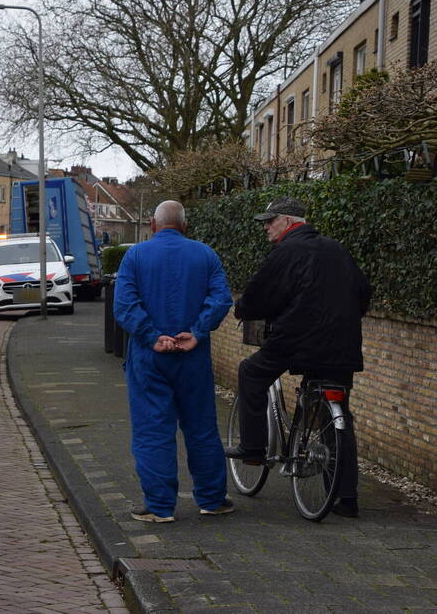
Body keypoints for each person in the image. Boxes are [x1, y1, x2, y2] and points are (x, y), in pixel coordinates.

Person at [227, 197, 371, 518]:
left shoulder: (287, 251)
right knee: (339, 416)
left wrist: (244, 310)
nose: (265, 226)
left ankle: (252, 448)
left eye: (270, 220)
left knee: (251, 372)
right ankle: (346, 498)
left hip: (297, 340)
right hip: (342, 346)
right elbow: (363, 293)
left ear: (289, 222)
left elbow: (262, 293)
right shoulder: (338, 250)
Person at [114, 200, 234, 522]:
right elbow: (221, 298)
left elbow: (124, 305)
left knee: (153, 430)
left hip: (149, 359)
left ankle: (159, 507)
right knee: (202, 428)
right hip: (192, 356)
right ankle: (212, 500)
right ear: (184, 226)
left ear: (152, 225)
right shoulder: (206, 255)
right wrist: (197, 331)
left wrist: (153, 336)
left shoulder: (135, 256)